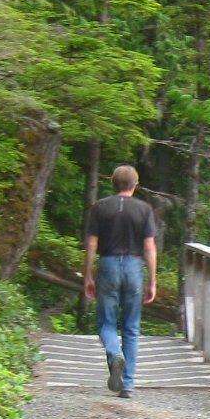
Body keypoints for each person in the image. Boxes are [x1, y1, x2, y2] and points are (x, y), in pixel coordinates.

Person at [82, 166, 159, 398]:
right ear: (135, 184)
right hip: (134, 268)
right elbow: (149, 248)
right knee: (131, 326)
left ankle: (115, 354)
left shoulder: (100, 208)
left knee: (106, 323)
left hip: (108, 265)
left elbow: (92, 244)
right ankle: (127, 385)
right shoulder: (144, 209)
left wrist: (88, 274)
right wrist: (152, 280)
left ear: (113, 183)